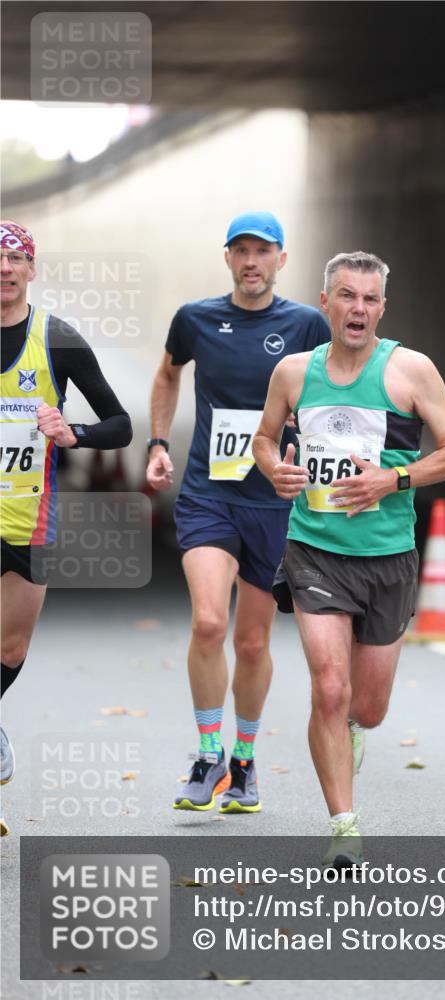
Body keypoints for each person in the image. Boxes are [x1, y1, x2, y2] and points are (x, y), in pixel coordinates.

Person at [253, 250, 445, 866]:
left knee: (366, 709)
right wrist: (275, 469)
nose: (359, 309)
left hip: (386, 555)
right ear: (326, 302)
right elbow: (265, 438)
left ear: (382, 308)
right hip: (314, 549)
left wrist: (391, 481)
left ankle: (349, 734)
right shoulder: (295, 372)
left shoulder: (411, 371)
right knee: (329, 687)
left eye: (370, 299)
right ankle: (344, 825)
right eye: (348, 296)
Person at [146, 211, 330, 815]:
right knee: (208, 624)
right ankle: (207, 756)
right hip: (210, 493)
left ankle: (244, 765)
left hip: (273, 504)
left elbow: (329, 397)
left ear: (282, 258)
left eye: (263, 251)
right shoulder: (196, 319)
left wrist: (314, 462)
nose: (252, 262)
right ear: (227, 258)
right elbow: (168, 374)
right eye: (241, 251)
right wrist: (155, 443)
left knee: (252, 643)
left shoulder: (306, 323)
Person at [0, 221, 133, 834]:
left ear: (31, 269)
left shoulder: (58, 338)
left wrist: (72, 432)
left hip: (32, 517)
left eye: (14, 260)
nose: (4, 269)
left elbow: (120, 424)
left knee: (10, 648)